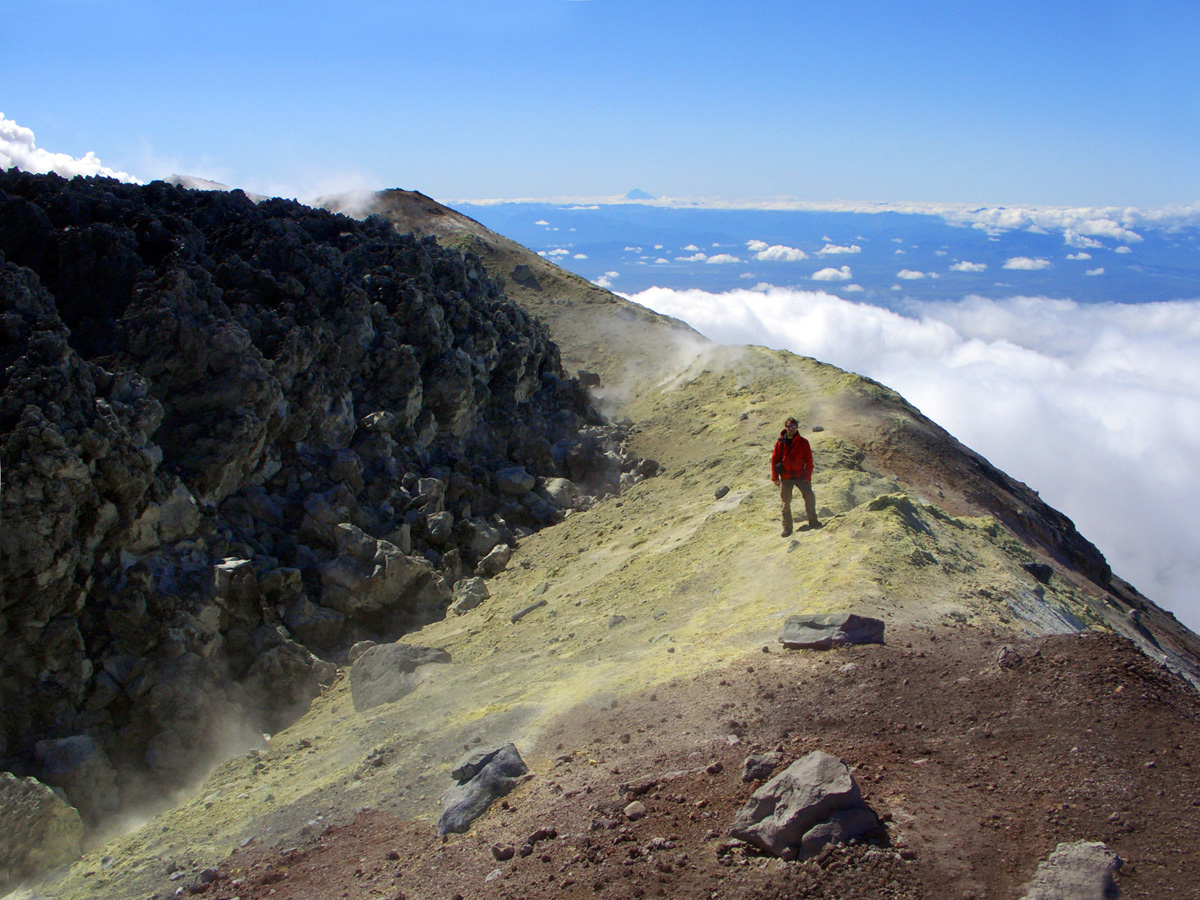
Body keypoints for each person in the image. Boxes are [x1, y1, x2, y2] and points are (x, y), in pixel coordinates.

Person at [770, 417, 819, 537]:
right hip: (786, 477)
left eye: (793, 426)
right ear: (785, 428)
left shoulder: (803, 442)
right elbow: (774, 459)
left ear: (797, 427)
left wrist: (807, 477)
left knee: (809, 497)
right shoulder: (780, 442)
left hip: (800, 475)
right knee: (785, 503)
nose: (790, 429)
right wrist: (775, 477)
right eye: (788, 426)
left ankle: (813, 521)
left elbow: (809, 461)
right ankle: (787, 528)